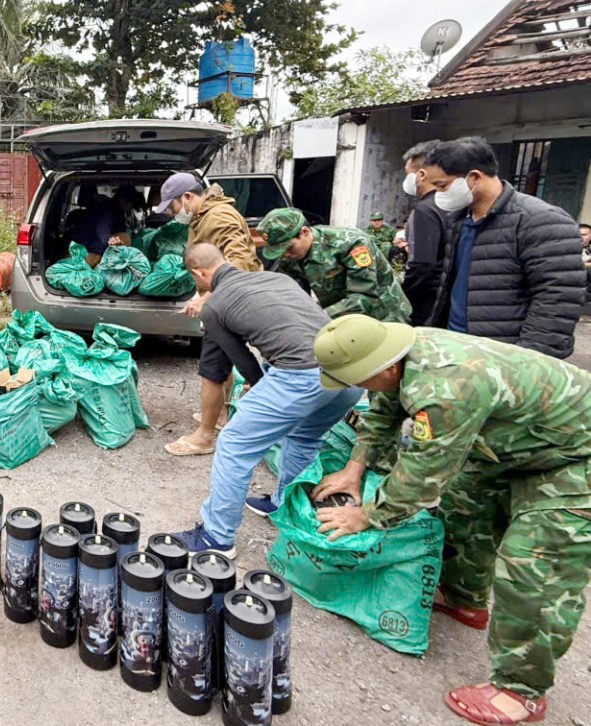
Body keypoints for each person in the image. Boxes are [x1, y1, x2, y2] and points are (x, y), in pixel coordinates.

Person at [309, 314, 591, 726]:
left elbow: (421, 478)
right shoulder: (397, 351)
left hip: (576, 456)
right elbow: (385, 407)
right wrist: (355, 466)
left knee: (534, 566)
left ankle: (520, 692)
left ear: (385, 367)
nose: (357, 388)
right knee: (463, 507)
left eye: (359, 380)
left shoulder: (445, 387)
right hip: (515, 443)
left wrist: (366, 516)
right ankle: (465, 598)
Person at [170, 243, 362, 555]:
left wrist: (261, 386)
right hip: (352, 370)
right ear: (228, 259)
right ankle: (283, 505)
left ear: (199, 274)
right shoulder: (279, 280)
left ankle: (216, 539)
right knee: (303, 435)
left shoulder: (214, 307)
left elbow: (242, 361)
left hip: (303, 374)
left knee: (234, 444)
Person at [422, 136, 584, 358]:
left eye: (442, 185)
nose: (438, 194)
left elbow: (557, 300)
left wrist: (525, 362)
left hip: (506, 357)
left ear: (474, 177)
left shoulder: (540, 221)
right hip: (460, 348)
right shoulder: (458, 220)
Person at [154, 172, 264, 459]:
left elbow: (238, 263)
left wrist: (207, 297)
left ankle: (204, 437)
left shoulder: (220, 217)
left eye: (173, 206)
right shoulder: (206, 215)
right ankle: (220, 416)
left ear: (188, 197)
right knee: (223, 362)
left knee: (212, 369)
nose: (172, 213)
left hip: (229, 304)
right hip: (225, 301)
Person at [258, 207, 412, 323]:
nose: (285, 255)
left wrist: (318, 316)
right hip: (340, 318)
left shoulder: (350, 243)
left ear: (305, 232)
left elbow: (365, 296)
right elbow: (294, 295)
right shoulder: (291, 256)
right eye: (279, 251)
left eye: (288, 248)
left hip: (384, 315)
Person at [400, 140, 450, 325]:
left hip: (427, 303)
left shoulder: (426, 210)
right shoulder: (451, 204)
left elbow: (422, 265)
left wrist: (404, 298)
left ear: (421, 174)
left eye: (408, 174)